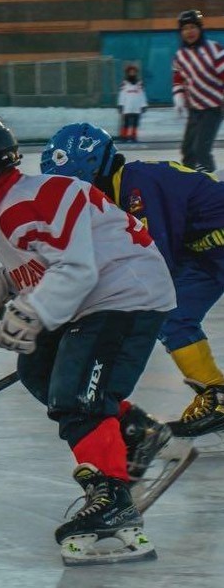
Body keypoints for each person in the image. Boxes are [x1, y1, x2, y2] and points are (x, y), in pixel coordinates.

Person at [0, 111, 177, 565]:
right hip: (99, 296)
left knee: (76, 393)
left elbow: (75, 268)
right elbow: (45, 261)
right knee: (38, 370)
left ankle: (112, 502)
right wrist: (5, 284)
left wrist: (31, 312)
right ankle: (134, 432)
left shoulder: (26, 202)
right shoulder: (4, 211)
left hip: (125, 294)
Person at [41, 121, 224, 437]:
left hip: (209, 250)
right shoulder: (119, 192)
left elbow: (152, 266)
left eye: (70, 186)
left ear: (88, 171)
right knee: (174, 316)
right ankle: (217, 394)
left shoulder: (136, 187)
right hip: (207, 253)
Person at [172, 9, 224, 173]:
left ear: (200, 29)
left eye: (193, 27)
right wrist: (179, 97)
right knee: (188, 150)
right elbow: (178, 79)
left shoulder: (213, 49)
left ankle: (211, 187)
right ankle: (189, 182)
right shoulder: (180, 56)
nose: (190, 32)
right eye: (185, 28)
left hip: (213, 108)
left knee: (201, 149)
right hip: (194, 109)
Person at [117, 64, 147, 143]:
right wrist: (121, 105)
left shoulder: (139, 83)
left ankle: (133, 136)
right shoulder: (125, 83)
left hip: (136, 106)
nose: (132, 73)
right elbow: (122, 94)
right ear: (128, 73)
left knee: (135, 123)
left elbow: (142, 95)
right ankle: (124, 136)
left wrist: (143, 105)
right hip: (127, 106)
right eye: (131, 72)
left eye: (134, 72)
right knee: (126, 122)